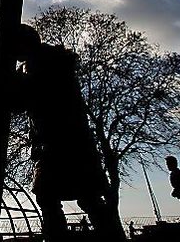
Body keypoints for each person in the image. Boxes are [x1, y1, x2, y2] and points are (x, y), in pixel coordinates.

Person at [11, 24, 124, 242]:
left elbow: (26, 98)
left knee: (59, 196)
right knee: (78, 197)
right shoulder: (44, 63)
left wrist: (15, 82)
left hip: (63, 142)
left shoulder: (44, 64)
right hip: (66, 142)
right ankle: (107, 235)